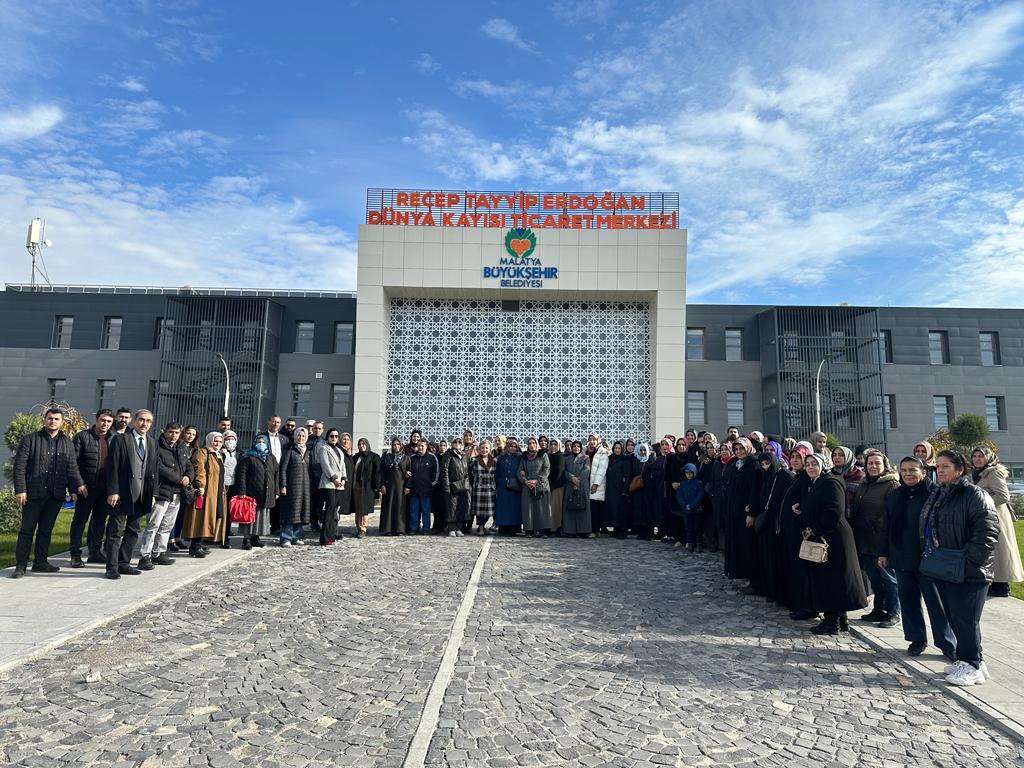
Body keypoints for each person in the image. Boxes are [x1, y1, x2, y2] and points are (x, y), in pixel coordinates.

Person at [923, 450, 999, 686]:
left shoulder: (974, 494)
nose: (940, 470)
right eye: (938, 466)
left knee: (966, 618)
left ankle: (972, 664)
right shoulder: (941, 493)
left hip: (968, 569)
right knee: (956, 617)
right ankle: (972, 659)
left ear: (959, 469)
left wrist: (970, 562)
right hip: (947, 565)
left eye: (946, 466)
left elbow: (987, 532)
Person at [880, 456, 955, 658]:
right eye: (903, 470)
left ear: (923, 472)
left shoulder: (934, 493)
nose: (907, 474)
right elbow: (886, 525)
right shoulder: (895, 495)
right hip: (902, 555)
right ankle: (916, 639)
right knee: (908, 601)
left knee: (935, 603)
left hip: (929, 558)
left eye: (912, 470)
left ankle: (947, 643)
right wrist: (883, 552)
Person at [797, 453, 867, 634]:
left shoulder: (831, 481)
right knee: (832, 580)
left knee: (832, 580)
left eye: (814, 464)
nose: (811, 467)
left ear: (823, 464)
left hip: (833, 537)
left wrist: (816, 530)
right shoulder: (818, 481)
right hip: (826, 536)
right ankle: (840, 619)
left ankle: (831, 622)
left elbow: (834, 510)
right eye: (808, 464)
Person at [11, 407, 85, 578]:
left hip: (55, 495)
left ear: (61, 422)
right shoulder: (30, 440)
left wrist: (74, 489)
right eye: (50, 418)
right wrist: (21, 489)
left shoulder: (67, 443)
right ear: (45, 420)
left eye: (56, 419)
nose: (53, 421)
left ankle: (40, 562)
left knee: (46, 530)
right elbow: (19, 466)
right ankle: (20, 566)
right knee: (27, 530)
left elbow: (72, 468)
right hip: (33, 493)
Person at [104, 410, 159, 579]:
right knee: (115, 532)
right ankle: (111, 567)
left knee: (133, 530)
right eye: (142, 420)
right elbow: (112, 467)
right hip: (122, 493)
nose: (145, 423)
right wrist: (113, 491)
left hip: (142, 494)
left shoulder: (152, 442)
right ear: (135, 421)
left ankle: (124, 563)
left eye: (148, 421)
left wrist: (153, 493)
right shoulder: (120, 440)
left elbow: (154, 469)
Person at [852, 451, 901, 626]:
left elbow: (894, 514)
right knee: (874, 578)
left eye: (877, 463)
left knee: (888, 578)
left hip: (882, 541)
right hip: (864, 539)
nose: (873, 466)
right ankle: (878, 609)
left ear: (884, 465)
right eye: (870, 463)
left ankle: (894, 611)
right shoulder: (863, 484)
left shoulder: (892, 485)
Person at [970, 446, 1024, 598]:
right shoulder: (978, 474)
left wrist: (983, 505)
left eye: (981, 456)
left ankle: (1002, 585)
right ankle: (994, 582)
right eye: (974, 456)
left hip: (997, 517)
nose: (977, 459)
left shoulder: (993, 472)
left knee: (1000, 551)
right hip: (986, 517)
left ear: (988, 457)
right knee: (992, 551)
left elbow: (1003, 496)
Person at [137, 422, 193, 569]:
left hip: (177, 492)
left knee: (167, 525)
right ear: (165, 431)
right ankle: (145, 555)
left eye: (176, 432)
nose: (173, 435)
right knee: (153, 524)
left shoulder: (181, 447)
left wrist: (188, 476)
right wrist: (178, 478)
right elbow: (158, 467)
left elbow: (188, 465)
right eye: (170, 432)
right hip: (162, 491)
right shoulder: (156, 446)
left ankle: (159, 552)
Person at [69, 409, 114, 567]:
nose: (105, 424)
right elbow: (72, 463)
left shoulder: (113, 439)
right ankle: (75, 555)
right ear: (96, 419)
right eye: (103, 420)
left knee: (100, 521)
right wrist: (78, 484)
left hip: (105, 490)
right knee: (79, 521)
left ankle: (95, 552)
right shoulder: (82, 437)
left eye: (109, 421)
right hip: (86, 488)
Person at [779, 448, 815, 620]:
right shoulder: (797, 477)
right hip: (791, 528)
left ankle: (807, 606)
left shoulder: (806, 479)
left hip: (801, 530)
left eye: (798, 457)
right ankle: (798, 601)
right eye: (792, 457)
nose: (794, 460)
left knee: (803, 568)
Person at [752, 450, 793, 599]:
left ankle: (776, 591)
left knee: (775, 558)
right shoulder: (765, 476)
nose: (765, 467)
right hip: (766, 521)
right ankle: (767, 588)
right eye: (762, 464)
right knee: (766, 557)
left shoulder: (784, 476)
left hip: (777, 523)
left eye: (767, 463)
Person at [723, 438, 760, 591]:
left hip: (745, 514)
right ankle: (740, 572)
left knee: (748, 546)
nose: (739, 452)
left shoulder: (753, 465)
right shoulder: (736, 465)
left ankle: (753, 579)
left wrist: (751, 513)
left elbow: (754, 491)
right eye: (736, 449)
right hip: (734, 512)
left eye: (742, 449)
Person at [185, 432, 228, 557]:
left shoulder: (219, 455)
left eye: (220, 442)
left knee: (209, 517)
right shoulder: (203, 452)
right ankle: (195, 546)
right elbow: (199, 469)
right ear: (209, 440)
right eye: (215, 441)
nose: (218, 444)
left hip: (216, 490)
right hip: (206, 490)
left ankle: (201, 542)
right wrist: (201, 485)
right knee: (200, 517)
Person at [235, 435, 279, 549]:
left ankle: (255, 537)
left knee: (261, 516)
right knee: (249, 516)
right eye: (258, 442)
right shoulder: (248, 456)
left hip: (266, 492)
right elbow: (241, 474)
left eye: (263, 442)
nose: (261, 444)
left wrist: (276, 490)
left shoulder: (271, 457)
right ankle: (246, 539)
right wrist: (241, 491)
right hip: (251, 492)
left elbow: (276, 474)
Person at [278, 427, 312, 546]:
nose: (301, 438)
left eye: (303, 436)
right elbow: (283, 468)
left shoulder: (308, 452)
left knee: (301, 512)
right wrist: (283, 485)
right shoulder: (289, 450)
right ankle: (286, 538)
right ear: (295, 436)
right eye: (299, 435)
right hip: (292, 487)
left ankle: (296, 536)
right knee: (290, 512)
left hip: (305, 487)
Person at [169, 424, 199, 552]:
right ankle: (170, 540)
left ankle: (177, 537)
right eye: (188, 433)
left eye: (193, 434)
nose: (190, 436)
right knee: (172, 515)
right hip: (176, 482)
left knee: (181, 513)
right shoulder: (178, 446)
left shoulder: (195, 449)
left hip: (188, 484)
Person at [315, 429, 347, 544]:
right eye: (332, 436)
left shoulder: (339, 450)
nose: (334, 438)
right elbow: (325, 465)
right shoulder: (324, 449)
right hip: (328, 483)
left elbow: (343, 466)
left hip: (339, 485)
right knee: (329, 509)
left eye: (336, 436)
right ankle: (325, 538)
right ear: (328, 437)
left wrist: (343, 478)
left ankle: (331, 535)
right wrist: (334, 478)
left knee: (335, 510)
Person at [518, 437, 552, 536]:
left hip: (541, 485)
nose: (532, 445)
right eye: (529, 443)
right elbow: (519, 472)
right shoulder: (524, 457)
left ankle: (543, 531)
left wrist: (537, 481)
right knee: (528, 509)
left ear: (537, 444)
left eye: (534, 443)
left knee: (542, 509)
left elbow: (546, 469)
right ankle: (529, 530)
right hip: (528, 486)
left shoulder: (543, 455)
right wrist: (526, 481)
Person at [405, 439, 438, 533]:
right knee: (414, 511)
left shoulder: (432, 458)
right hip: (414, 490)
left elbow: (436, 473)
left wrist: (431, 484)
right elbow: (408, 472)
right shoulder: (412, 458)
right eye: (419, 446)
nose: (420, 448)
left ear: (426, 446)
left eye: (422, 446)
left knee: (426, 511)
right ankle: (413, 528)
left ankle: (426, 528)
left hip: (426, 490)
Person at [441, 437, 470, 536]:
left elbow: (466, 471)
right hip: (452, 485)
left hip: (462, 486)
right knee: (451, 507)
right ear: (452, 443)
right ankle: (451, 528)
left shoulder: (463, 456)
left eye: (459, 442)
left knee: (461, 506)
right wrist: (446, 486)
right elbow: (444, 470)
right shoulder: (448, 455)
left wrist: (467, 483)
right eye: (455, 442)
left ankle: (459, 527)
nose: (457, 443)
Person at [495, 437, 523, 535]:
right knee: (503, 508)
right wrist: (497, 486)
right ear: (507, 446)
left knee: (514, 508)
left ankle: (514, 529)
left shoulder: (520, 457)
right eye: (510, 446)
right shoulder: (501, 457)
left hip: (515, 486)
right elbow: (497, 472)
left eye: (514, 446)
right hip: (503, 486)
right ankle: (503, 528)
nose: (512, 448)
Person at [563, 440, 592, 537]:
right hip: (570, 485)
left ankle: (584, 530)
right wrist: (572, 478)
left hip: (582, 485)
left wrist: (577, 481)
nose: (576, 448)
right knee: (570, 507)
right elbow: (565, 471)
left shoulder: (585, 457)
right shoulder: (567, 458)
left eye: (578, 446)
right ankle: (570, 530)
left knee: (583, 507)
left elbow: (587, 470)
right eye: (574, 446)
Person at [353, 438, 381, 538]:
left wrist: (376, 486)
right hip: (356, 486)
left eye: (363, 443)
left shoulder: (374, 456)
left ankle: (363, 528)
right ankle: (358, 527)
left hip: (367, 486)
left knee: (363, 508)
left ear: (367, 444)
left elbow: (377, 472)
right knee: (357, 507)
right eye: (359, 444)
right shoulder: (356, 457)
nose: (361, 445)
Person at [604, 441, 632, 540]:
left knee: (622, 511)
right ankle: (616, 529)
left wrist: (625, 489)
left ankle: (622, 531)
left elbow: (627, 476)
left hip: (621, 489)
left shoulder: (625, 460)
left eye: (619, 448)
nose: (617, 450)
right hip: (611, 489)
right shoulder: (610, 459)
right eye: (615, 448)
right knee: (614, 510)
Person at [379, 437, 407, 536]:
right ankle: (388, 529)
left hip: (401, 486)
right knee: (389, 506)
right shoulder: (386, 456)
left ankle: (399, 529)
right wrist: (382, 485)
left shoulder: (405, 457)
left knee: (399, 507)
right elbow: (382, 471)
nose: (396, 446)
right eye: (394, 444)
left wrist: (408, 486)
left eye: (398, 444)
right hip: (389, 485)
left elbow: (409, 472)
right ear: (392, 445)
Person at [675, 463, 705, 552]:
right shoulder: (683, 484)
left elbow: (700, 496)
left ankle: (699, 543)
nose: (688, 475)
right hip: (686, 510)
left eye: (690, 473)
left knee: (697, 528)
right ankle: (690, 543)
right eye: (686, 473)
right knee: (688, 527)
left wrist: (692, 505)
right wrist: (684, 504)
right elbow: (679, 495)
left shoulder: (699, 483)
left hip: (696, 510)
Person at [469, 438, 496, 534]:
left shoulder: (494, 461)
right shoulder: (474, 460)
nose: (484, 450)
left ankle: (484, 526)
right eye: (483, 448)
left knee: (488, 510)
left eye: (486, 448)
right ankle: (480, 528)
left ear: (490, 449)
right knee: (479, 510)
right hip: (479, 487)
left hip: (490, 488)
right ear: (479, 449)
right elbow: (469, 473)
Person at [219, 429, 239, 548]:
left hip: (233, 486)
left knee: (229, 514)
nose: (230, 441)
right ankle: (215, 537)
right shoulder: (220, 452)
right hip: (221, 486)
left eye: (232, 439)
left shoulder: (239, 453)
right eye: (227, 439)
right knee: (220, 512)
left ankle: (225, 538)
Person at [831, 446, 864, 514]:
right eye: (834, 455)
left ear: (848, 457)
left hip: (856, 516)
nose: (837, 457)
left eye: (841, 455)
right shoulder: (829, 474)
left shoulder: (860, 475)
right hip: (835, 516)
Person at [588, 439, 610, 536]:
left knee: (595, 508)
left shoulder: (603, 453)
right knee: (593, 508)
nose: (592, 442)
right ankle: (595, 530)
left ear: (598, 441)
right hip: (589, 484)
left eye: (594, 440)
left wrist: (596, 484)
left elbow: (602, 469)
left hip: (597, 485)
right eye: (590, 440)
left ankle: (595, 530)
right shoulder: (589, 451)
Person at [547, 439, 566, 535]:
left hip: (557, 486)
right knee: (552, 509)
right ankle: (552, 527)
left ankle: (556, 528)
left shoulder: (560, 456)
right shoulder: (549, 456)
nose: (553, 446)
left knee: (557, 509)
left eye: (555, 444)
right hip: (550, 486)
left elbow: (559, 471)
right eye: (551, 444)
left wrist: (552, 486)